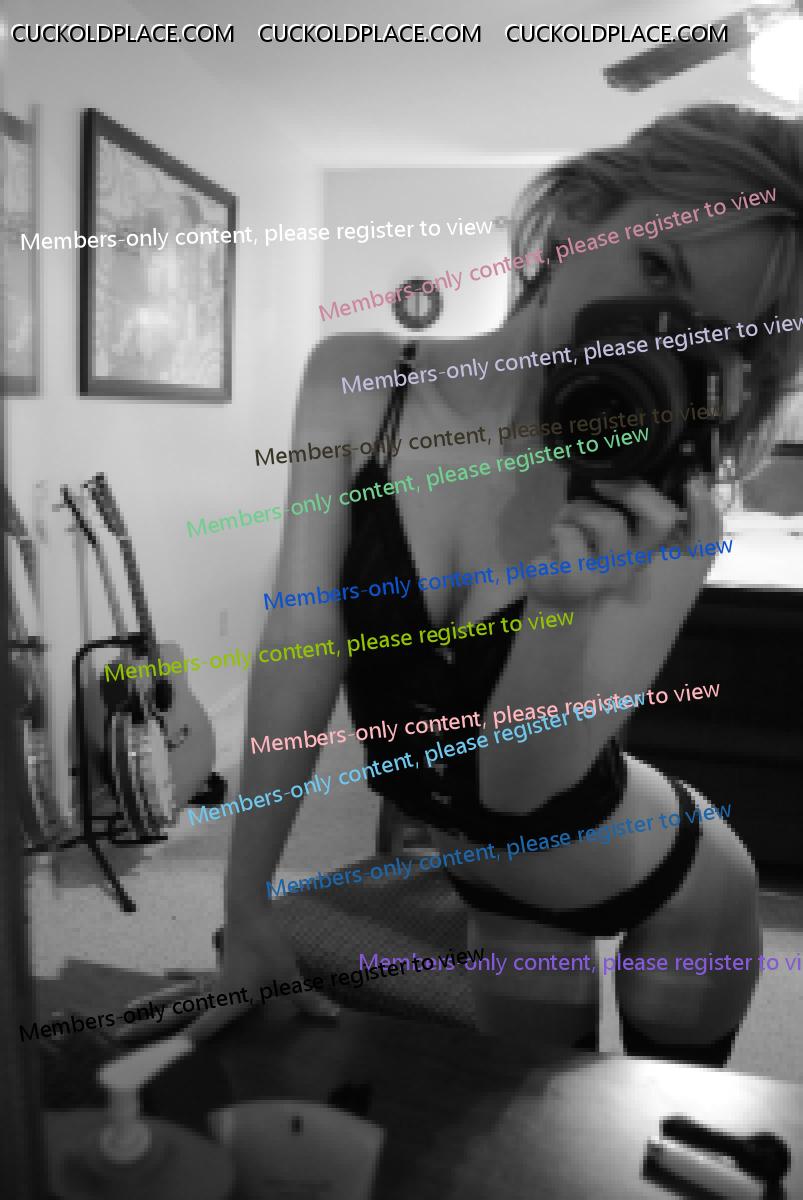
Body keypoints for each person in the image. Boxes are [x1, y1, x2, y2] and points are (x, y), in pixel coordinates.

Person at [197, 105, 802, 1061]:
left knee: (669, 1135)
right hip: (498, 896)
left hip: (681, 883)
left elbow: (519, 792)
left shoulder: (671, 516)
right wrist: (248, 900)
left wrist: (564, 614)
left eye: (708, 330)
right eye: (656, 269)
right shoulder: (357, 381)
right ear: (576, 216)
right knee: (530, 1126)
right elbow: (300, 642)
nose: (651, 334)